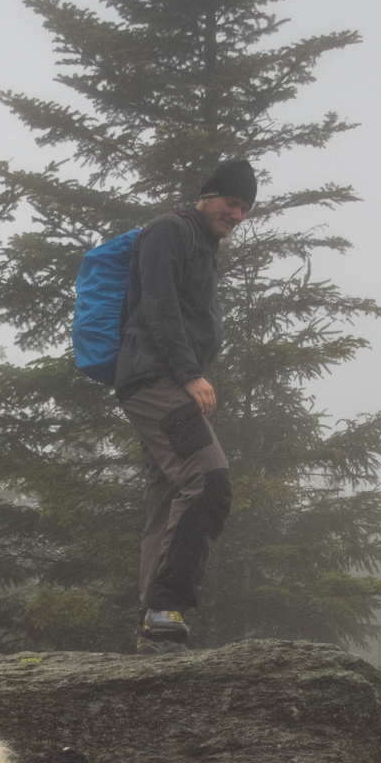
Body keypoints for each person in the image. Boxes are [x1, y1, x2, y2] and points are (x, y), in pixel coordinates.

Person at [114, 158, 255, 651]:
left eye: (246, 209)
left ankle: (153, 627)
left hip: (163, 378)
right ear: (208, 195)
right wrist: (191, 373)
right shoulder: (168, 232)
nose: (238, 215)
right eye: (232, 203)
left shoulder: (201, 244)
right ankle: (164, 605)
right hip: (154, 379)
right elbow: (158, 305)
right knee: (207, 477)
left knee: (165, 495)